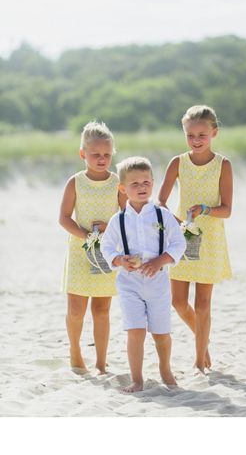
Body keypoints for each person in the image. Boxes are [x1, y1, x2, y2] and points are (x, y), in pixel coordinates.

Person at [157, 105, 233, 374]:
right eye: (190, 135)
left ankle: (199, 359)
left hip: (210, 237)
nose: (196, 140)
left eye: (202, 134)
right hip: (181, 237)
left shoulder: (223, 165)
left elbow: (226, 209)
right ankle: (203, 340)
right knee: (177, 301)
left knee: (203, 303)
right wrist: (174, 221)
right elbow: (161, 201)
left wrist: (205, 210)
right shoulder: (178, 163)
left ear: (214, 132)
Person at [100, 157, 186, 392]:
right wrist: (118, 259)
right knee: (135, 330)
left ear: (153, 183)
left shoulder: (162, 215)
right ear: (122, 188)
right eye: (135, 184)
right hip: (129, 283)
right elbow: (106, 246)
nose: (142, 187)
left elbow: (178, 243)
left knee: (161, 333)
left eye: (146, 182)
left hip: (157, 282)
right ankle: (137, 379)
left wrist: (161, 260)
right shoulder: (118, 220)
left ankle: (165, 370)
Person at [58, 121, 125, 374]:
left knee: (101, 309)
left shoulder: (117, 183)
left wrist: (109, 228)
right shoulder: (75, 182)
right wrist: (85, 235)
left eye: (107, 155)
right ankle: (75, 352)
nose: (101, 159)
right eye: (95, 154)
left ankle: (100, 361)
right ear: (82, 153)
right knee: (76, 310)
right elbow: (64, 218)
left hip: (106, 253)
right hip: (79, 251)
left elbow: (127, 216)